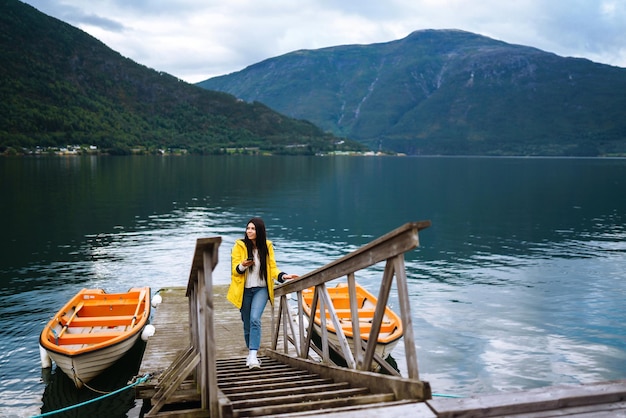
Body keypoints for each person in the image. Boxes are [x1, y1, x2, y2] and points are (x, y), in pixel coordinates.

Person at [226, 217, 298, 368]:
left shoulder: (267, 246)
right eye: (248, 228)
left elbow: (272, 268)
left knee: (254, 319)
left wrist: (283, 276)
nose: (249, 231)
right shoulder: (239, 246)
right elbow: (235, 270)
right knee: (246, 324)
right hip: (244, 290)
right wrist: (243, 265)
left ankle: (253, 356)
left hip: (262, 288)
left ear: (259, 231)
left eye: (253, 229)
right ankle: (250, 353)